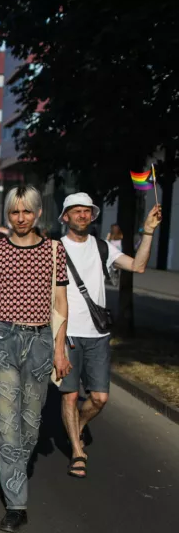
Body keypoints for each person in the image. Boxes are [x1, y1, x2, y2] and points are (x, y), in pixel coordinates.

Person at [0, 185, 70, 533]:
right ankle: (16, 503)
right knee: (6, 424)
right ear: (8, 215)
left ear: (38, 212)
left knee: (30, 424)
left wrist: (59, 349)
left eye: (27, 211)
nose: (21, 218)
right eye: (15, 212)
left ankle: (15, 469)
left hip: (41, 340)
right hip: (4, 340)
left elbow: (61, 303)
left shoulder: (54, 251)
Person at [58, 194, 161, 477]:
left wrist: (148, 232)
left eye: (87, 211)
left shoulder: (103, 247)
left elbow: (138, 266)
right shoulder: (55, 248)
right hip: (67, 334)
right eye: (76, 211)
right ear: (65, 217)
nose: (82, 215)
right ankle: (77, 452)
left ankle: (76, 426)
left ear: (92, 216)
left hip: (98, 334)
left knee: (100, 398)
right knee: (70, 396)